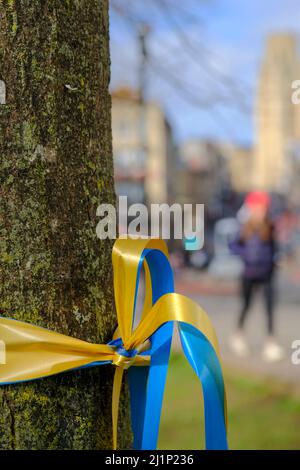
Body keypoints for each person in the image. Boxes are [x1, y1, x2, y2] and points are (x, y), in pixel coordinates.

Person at [229, 191, 284, 362]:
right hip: (249, 274)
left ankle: (270, 341)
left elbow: (276, 248)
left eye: (263, 208)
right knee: (246, 305)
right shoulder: (245, 228)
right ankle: (238, 334)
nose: (261, 211)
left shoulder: (271, 227)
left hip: (267, 274)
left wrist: (275, 261)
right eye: (258, 208)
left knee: (269, 308)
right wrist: (246, 255)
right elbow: (233, 246)